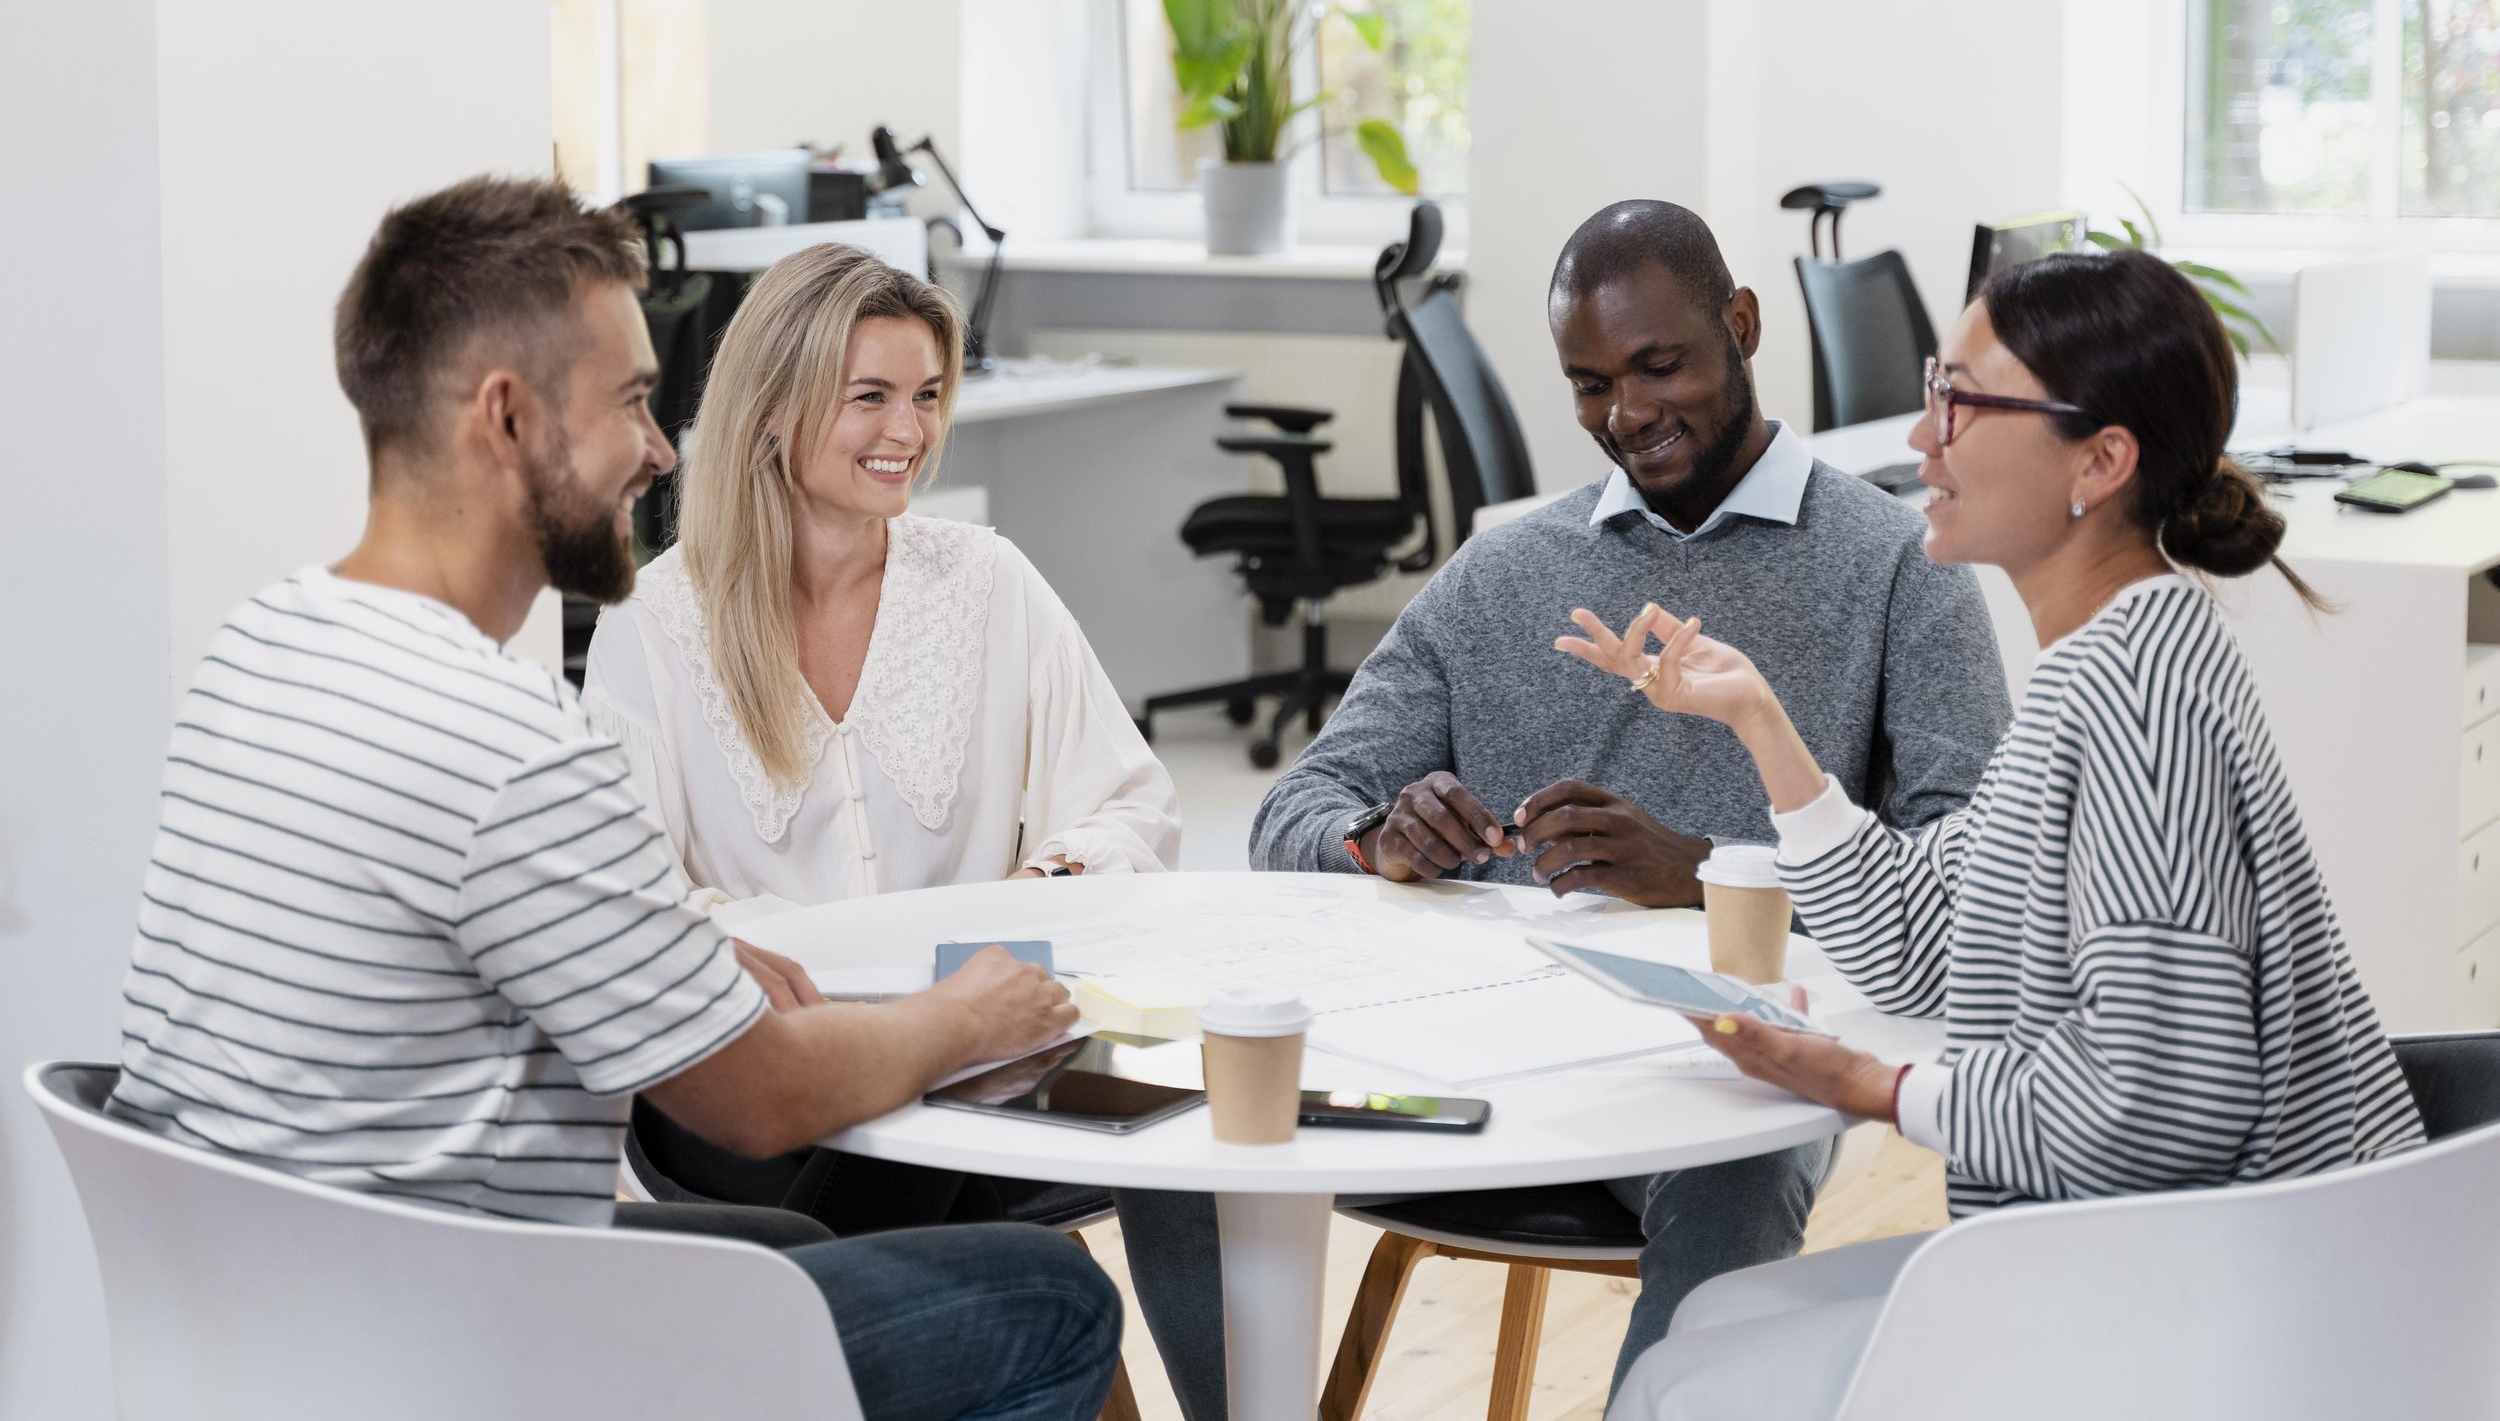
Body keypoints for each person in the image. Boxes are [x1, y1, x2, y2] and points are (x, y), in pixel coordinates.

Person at [109, 176, 1122, 1421]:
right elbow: (759, 1097)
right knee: (1046, 1293)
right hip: (472, 1350)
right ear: (509, 417)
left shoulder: (263, 650)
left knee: (816, 1246)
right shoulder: (511, 743)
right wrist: (969, 1012)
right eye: (634, 400)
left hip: (272, 1322)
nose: (659, 445)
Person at [1117, 199, 2016, 1418]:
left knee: (1734, 1180)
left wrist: (1705, 872)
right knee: (1185, 1120)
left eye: (1659, 366)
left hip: (1725, 1065)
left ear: (1741, 326)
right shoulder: (1503, 569)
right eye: (1590, 384)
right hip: (1469, 1043)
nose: (1628, 416)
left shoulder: (1901, 567)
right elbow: (1293, 807)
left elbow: (1968, 879)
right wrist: (1371, 836)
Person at [1566, 248, 2425, 1421]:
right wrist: (1759, 718)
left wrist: (1875, 1085)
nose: (1923, 440)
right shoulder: (2114, 658)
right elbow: (1922, 940)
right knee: (1712, 1325)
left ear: (2099, 459)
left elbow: (2159, 1105)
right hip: (2191, 1265)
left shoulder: (2132, 703)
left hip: (2224, 1306)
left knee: (1684, 1376)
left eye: (1961, 401)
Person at [580, 241, 1177, 1231]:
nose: (909, 429)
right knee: (948, 1161)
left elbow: (1130, 804)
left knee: (1185, 1108)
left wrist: (1042, 888)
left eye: (928, 394)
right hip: (756, 1075)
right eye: (870, 396)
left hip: (980, 1053)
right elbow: (628, 902)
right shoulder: (650, 622)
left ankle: (808, 1345)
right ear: (773, 406)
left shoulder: (988, 580)